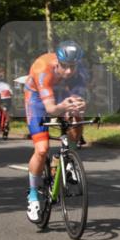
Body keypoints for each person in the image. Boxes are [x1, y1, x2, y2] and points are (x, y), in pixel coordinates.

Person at [24, 40, 87, 223]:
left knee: (76, 115)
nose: (68, 71)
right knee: (42, 149)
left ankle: (67, 157)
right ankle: (33, 195)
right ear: (57, 62)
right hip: (37, 98)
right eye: (65, 66)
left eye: (72, 66)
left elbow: (78, 97)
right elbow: (51, 109)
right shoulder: (42, 68)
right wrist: (62, 107)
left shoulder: (80, 71)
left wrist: (79, 105)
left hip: (60, 92)